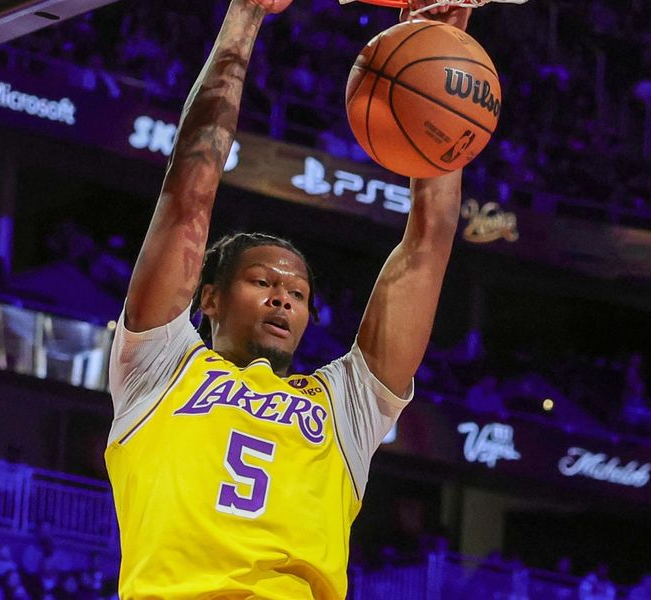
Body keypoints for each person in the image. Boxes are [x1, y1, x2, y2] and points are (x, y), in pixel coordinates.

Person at [105, 0, 471, 597]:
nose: (282, 299)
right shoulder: (159, 366)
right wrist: (245, 16)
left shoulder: (346, 404)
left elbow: (428, 244)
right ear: (210, 300)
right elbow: (187, 196)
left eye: (296, 292)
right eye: (263, 283)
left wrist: (443, 48)